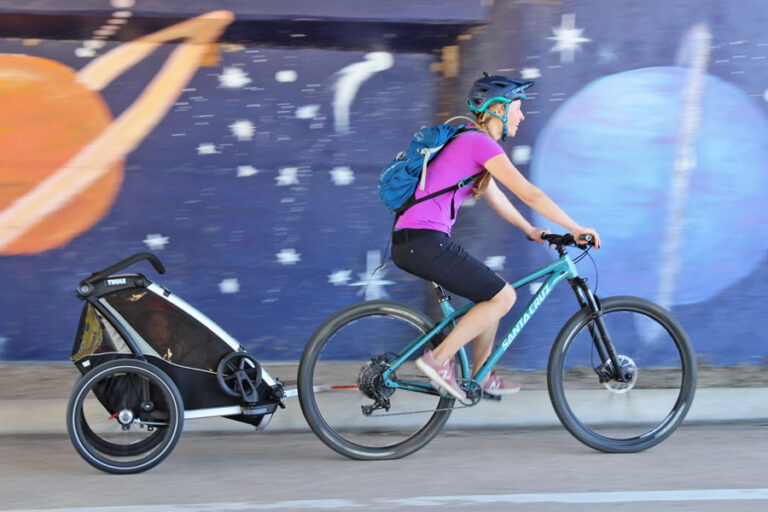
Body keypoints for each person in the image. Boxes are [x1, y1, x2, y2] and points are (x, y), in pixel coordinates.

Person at [391, 73, 601, 400]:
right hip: (424, 239)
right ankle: (439, 359)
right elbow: (530, 194)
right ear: (497, 109)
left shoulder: (471, 143)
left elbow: (494, 194)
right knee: (504, 297)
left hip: (416, 240)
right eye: (517, 107)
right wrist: (576, 228)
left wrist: (529, 229)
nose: (521, 115)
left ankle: (481, 374)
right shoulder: (478, 142)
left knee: (491, 294)